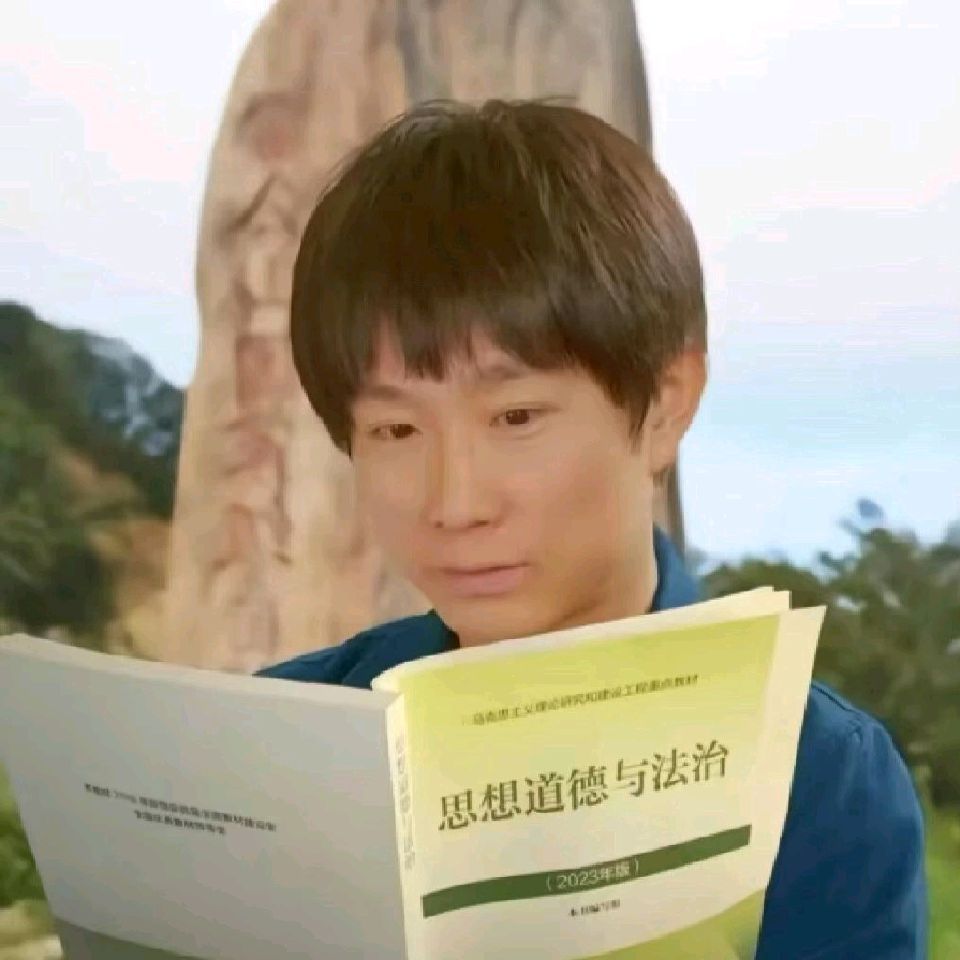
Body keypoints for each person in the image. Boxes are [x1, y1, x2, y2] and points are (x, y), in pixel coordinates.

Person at [257, 98, 927, 958]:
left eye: (516, 417)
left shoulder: (819, 779)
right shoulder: (281, 741)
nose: (456, 503)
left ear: (665, 406)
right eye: (395, 430)